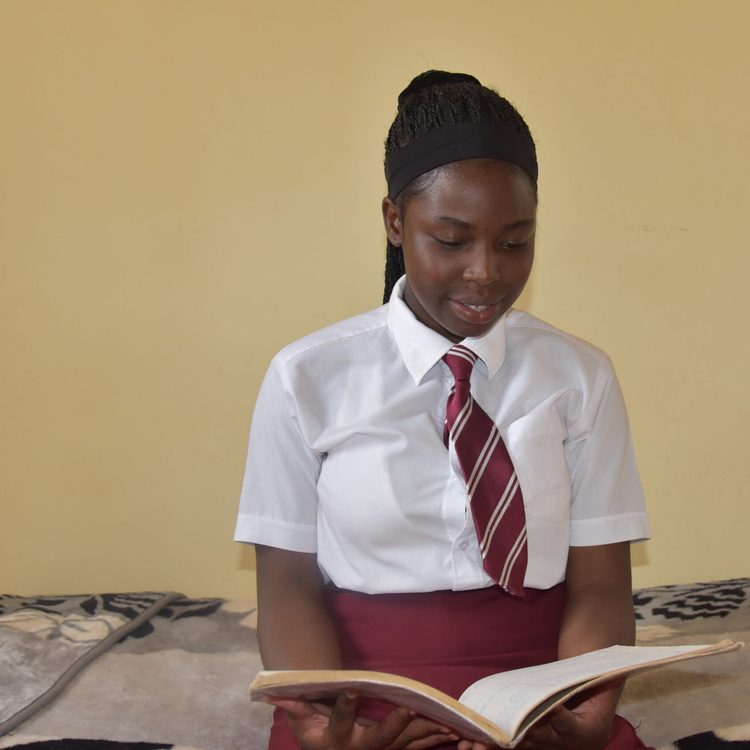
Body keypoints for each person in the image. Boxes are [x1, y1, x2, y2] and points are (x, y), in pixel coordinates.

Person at [234, 70, 652, 750]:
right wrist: (324, 720)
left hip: (545, 692)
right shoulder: (304, 378)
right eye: (452, 241)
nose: (486, 272)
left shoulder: (580, 376)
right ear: (396, 222)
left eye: (514, 242)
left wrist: (581, 708)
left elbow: (601, 585)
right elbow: (287, 589)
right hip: (360, 700)